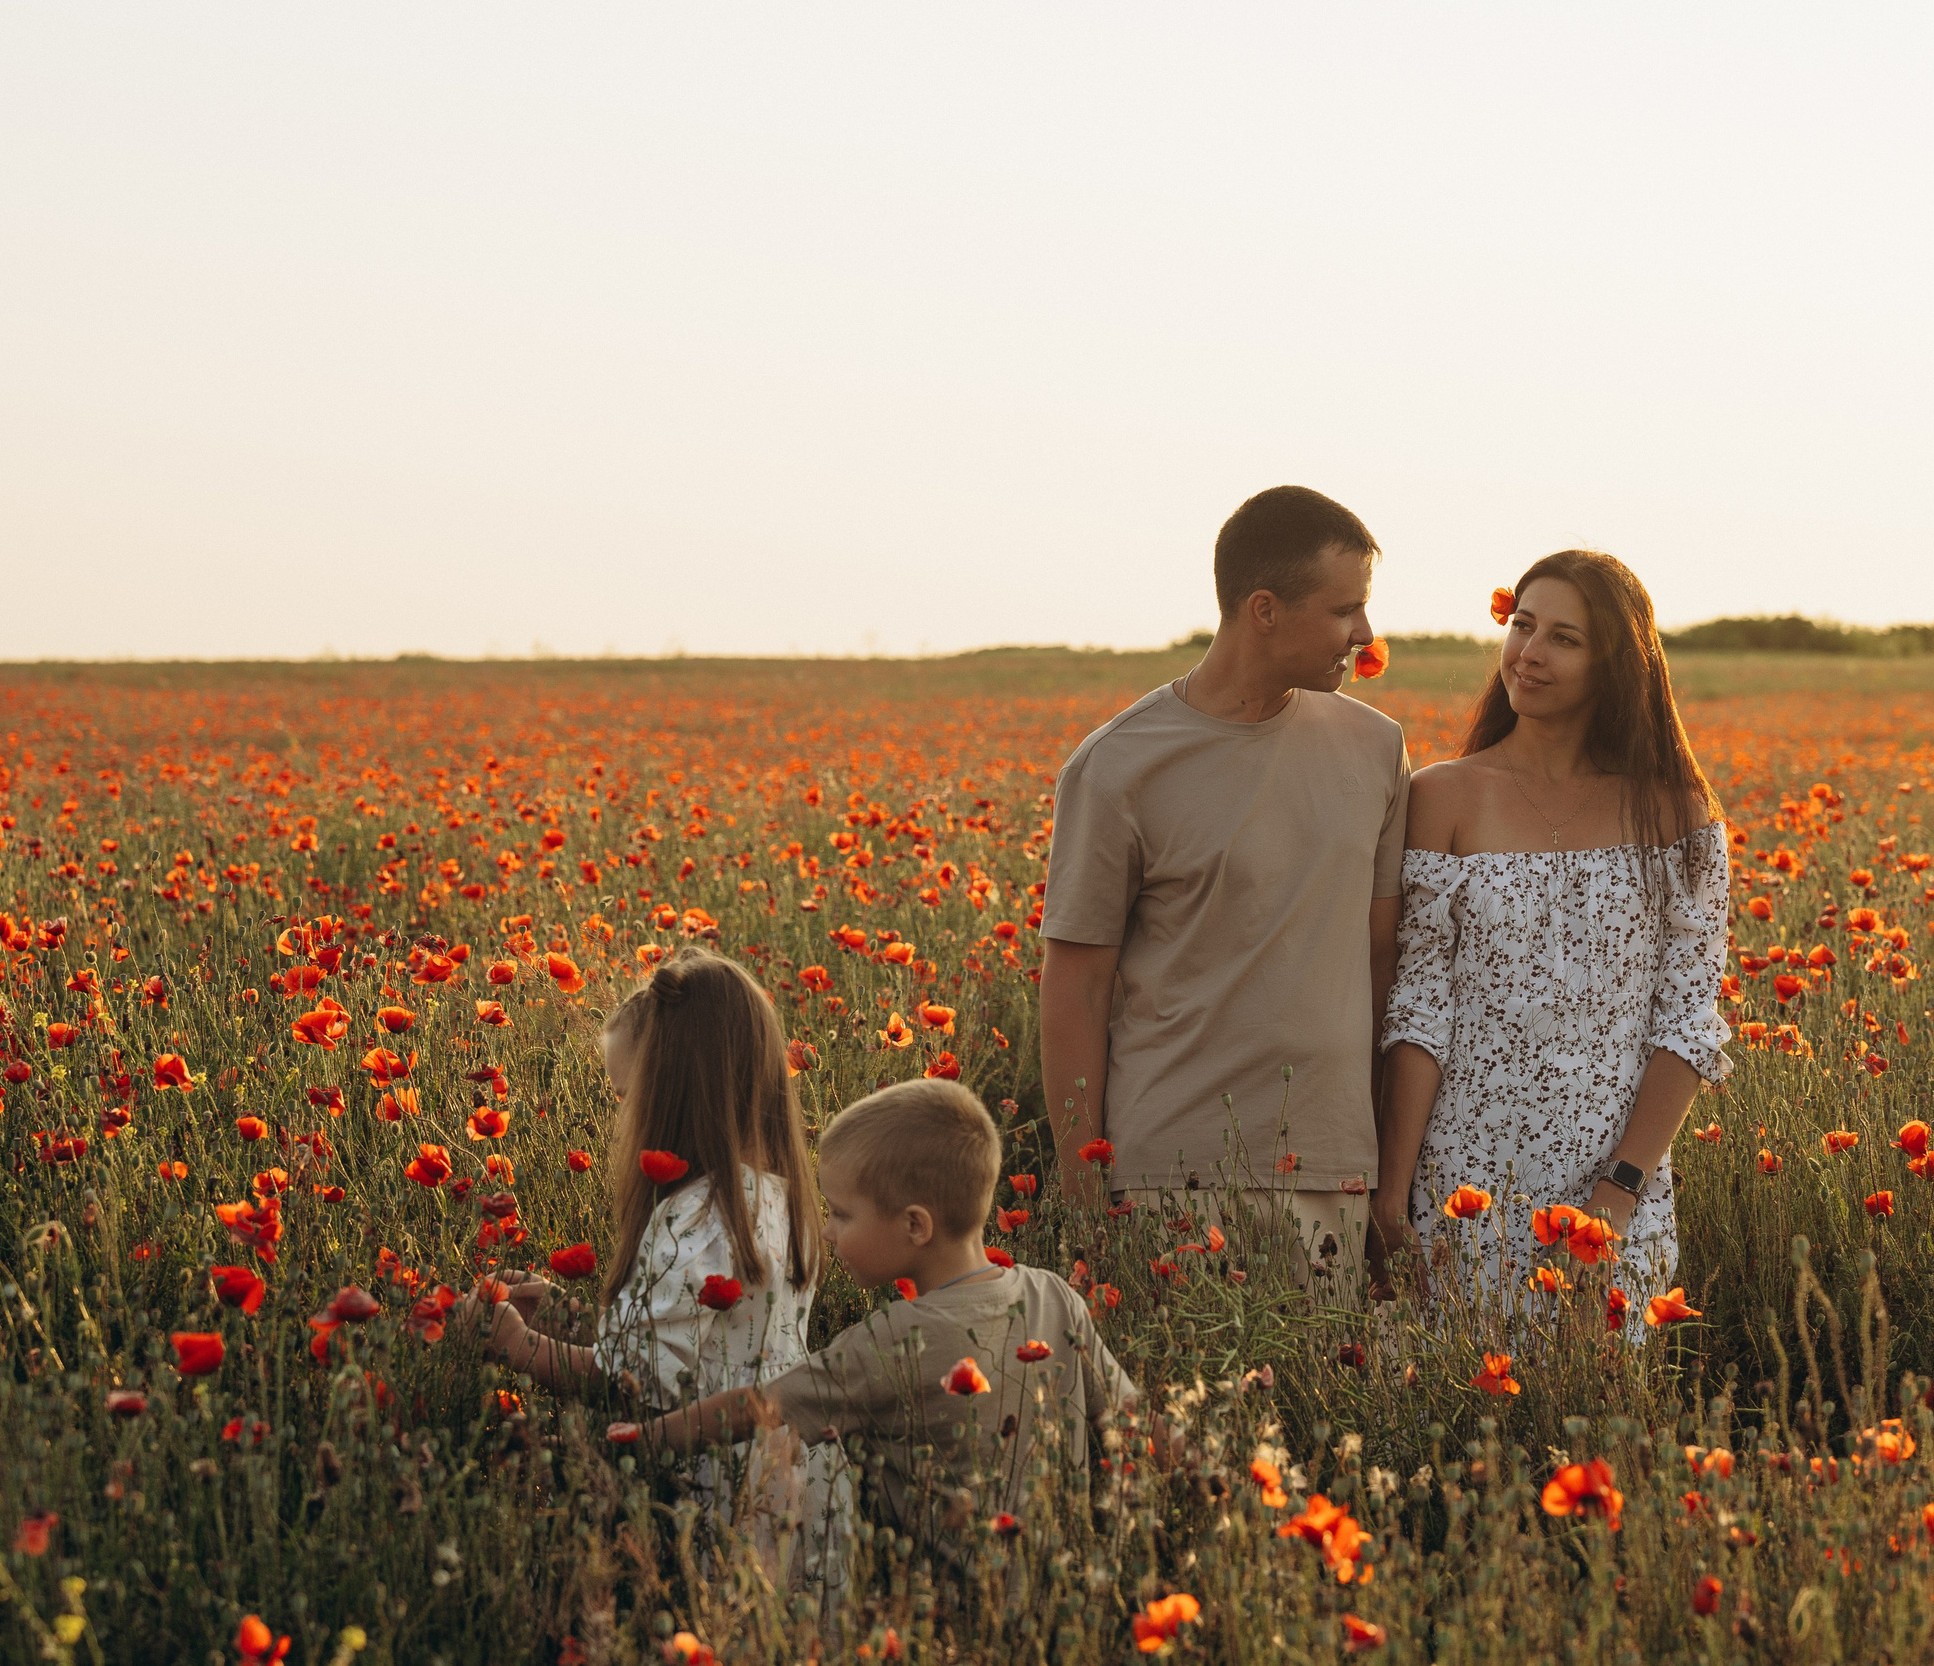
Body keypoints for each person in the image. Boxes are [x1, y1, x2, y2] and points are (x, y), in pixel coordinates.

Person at [1039, 485, 1410, 1294]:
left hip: (1331, 1172)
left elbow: (1384, 964)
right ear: (1264, 610)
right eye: (1344, 609)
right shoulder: (1118, 765)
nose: (1365, 633)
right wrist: (1083, 1199)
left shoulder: (1378, 749)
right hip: (1166, 1178)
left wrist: (1389, 1176)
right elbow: (1076, 988)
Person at [1373, 550, 1732, 1309]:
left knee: (1598, 1381)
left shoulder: (1676, 814)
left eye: (1563, 638)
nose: (1529, 652)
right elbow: (1421, 1009)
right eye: (1522, 626)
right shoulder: (1442, 796)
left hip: (1615, 1189)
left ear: (1617, 665)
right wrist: (1392, 1193)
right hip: (1462, 1185)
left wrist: (1619, 1193)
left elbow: (1687, 1024)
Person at [609, 1079, 1137, 1572]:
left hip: (949, 1613)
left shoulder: (894, 1340)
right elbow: (1128, 1417)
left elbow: (758, 1409)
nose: (828, 1231)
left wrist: (645, 1436)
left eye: (842, 1214)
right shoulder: (1054, 1295)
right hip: (1066, 1588)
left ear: (915, 1225)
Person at [471, 948, 845, 1589]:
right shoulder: (781, 1200)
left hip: (719, 1485)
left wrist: (519, 1345)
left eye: (626, 1096)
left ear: (673, 1094)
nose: (622, 1117)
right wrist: (562, 1311)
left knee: (719, 1623)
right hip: (796, 1470)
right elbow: (697, 1339)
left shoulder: (694, 1216)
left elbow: (633, 1379)